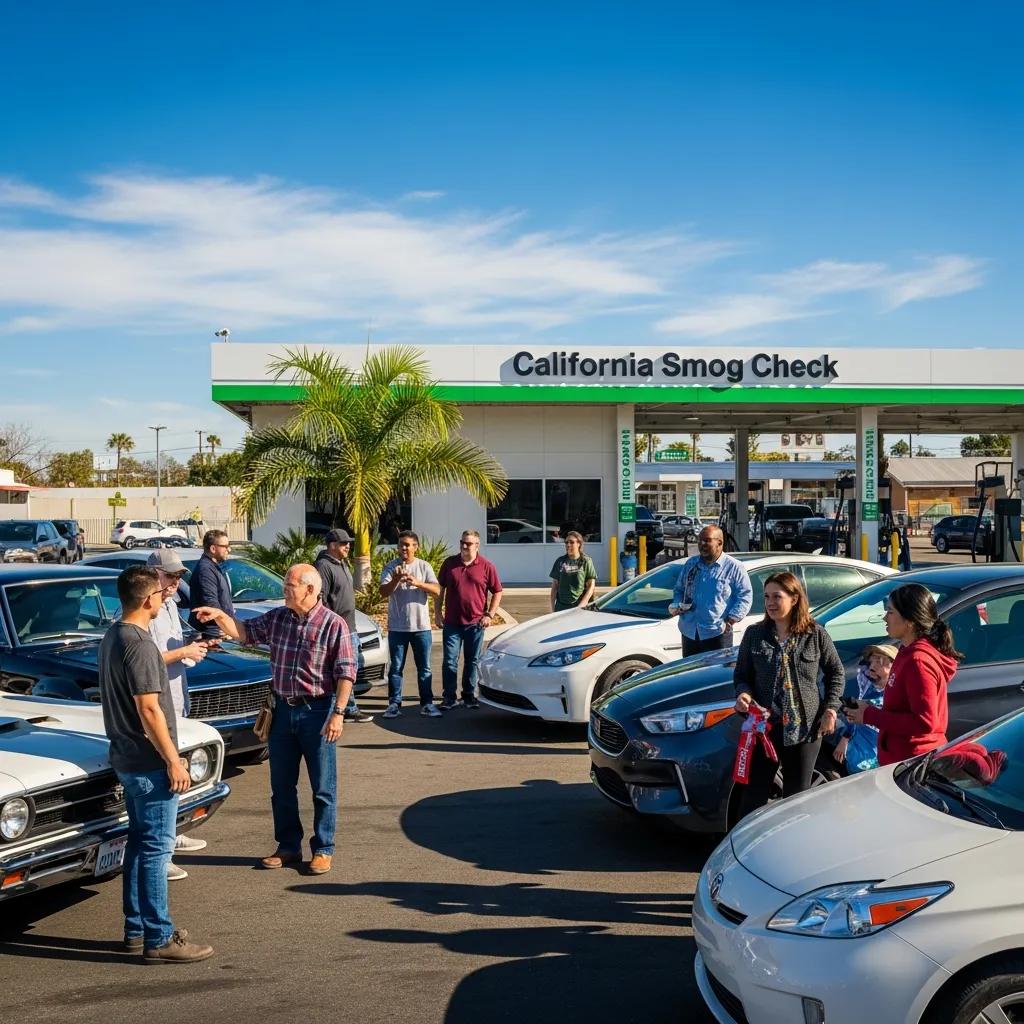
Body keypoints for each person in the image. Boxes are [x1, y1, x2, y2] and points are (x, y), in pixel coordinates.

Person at [193, 564, 356, 875]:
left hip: (318, 712)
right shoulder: (278, 618)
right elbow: (245, 633)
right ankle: (288, 846)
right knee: (281, 785)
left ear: (310, 590)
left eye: (290, 584)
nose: (284, 589)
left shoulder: (333, 624)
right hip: (282, 712)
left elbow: (346, 672)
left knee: (323, 787)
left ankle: (323, 849)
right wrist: (219, 615)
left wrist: (338, 713)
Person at [98, 565, 213, 963]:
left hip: (127, 759)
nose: (166, 597)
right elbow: (149, 709)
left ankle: (136, 929)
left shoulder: (113, 635)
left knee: (138, 845)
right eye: (162, 593)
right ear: (147, 599)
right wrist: (173, 761)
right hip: (148, 763)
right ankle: (159, 937)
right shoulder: (141, 644)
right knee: (156, 850)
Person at [733, 571, 844, 819]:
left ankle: (794, 849)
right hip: (765, 730)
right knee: (753, 795)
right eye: (766, 597)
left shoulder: (815, 634)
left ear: (794, 598)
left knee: (797, 798)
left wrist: (830, 709)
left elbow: (836, 672)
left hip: (805, 730)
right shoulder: (754, 634)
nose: (770, 603)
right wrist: (744, 694)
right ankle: (746, 847)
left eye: (777, 596)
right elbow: (742, 676)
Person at [146, 549, 211, 880]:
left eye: (178, 577)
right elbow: (148, 658)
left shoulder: (170, 605)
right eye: (170, 576)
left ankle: (174, 832)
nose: (176, 583)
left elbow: (175, 649)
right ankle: (161, 855)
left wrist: (197, 645)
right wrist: (183, 652)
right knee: (164, 774)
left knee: (180, 770)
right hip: (156, 707)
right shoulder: (145, 611)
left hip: (176, 702)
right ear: (154, 574)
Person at [846, 583, 961, 766]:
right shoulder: (906, 651)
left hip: (912, 762)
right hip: (899, 758)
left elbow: (925, 723)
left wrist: (870, 716)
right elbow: (901, 708)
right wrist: (868, 708)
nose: (885, 618)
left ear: (910, 620)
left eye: (890, 612)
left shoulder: (918, 661)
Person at [436, 530, 503, 710]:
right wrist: (437, 612)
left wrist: (489, 614)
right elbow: (439, 589)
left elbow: (497, 591)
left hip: (475, 624)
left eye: (469, 543)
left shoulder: (486, 566)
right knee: (450, 661)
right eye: (462, 542)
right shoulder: (450, 564)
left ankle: (468, 696)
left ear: (477, 545)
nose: (465, 546)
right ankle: (449, 697)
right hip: (452, 623)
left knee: (471, 661)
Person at [380, 531, 441, 718]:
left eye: (408, 544)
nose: (404, 548)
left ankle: (427, 704)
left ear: (416, 547)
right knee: (396, 667)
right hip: (398, 627)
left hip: (421, 627)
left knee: (425, 668)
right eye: (401, 545)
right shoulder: (391, 567)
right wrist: (396, 580)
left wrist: (418, 583)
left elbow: (437, 590)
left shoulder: (424, 566)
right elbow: (383, 592)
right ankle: (394, 704)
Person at [315, 528, 373, 724]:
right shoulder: (324, 565)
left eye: (349, 543)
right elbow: (319, 600)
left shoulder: (341, 563)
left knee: (349, 670)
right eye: (343, 543)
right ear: (332, 545)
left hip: (350, 627)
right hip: (336, 631)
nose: (348, 546)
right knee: (340, 671)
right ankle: (345, 708)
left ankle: (348, 707)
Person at [668, 525, 753, 658]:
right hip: (689, 631)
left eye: (707, 540)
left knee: (713, 676)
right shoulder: (691, 564)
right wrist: (678, 604)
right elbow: (679, 589)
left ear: (719, 542)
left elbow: (745, 596)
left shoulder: (734, 567)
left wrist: (730, 620)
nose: (702, 544)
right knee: (691, 676)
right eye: (700, 540)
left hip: (717, 633)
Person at [831, 643, 896, 774]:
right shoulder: (869, 687)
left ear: (894, 667)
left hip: (881, 763)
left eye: (880, 661)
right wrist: (845, 738)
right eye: (872, 661)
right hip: (859, 757)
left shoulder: (895, 695)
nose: (872, 666)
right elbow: (854, 715)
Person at [187, 530, 234, 639]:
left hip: (217, 631)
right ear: (213, 548)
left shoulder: (213, 567)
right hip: (211, 634)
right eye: (225, 546)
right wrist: (226, 626)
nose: (229, 549)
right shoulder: (206, 570)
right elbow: (210, 603)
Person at [549, 531, 598, 613]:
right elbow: (554, 586)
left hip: (579, 606)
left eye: (572, 542)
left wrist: (581, 606)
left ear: (579, 544)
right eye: (566, 542)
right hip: (561, 607)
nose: (568, 545)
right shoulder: (560, 561)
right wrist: (552, 608)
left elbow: (591, 586)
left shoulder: (586, 561)